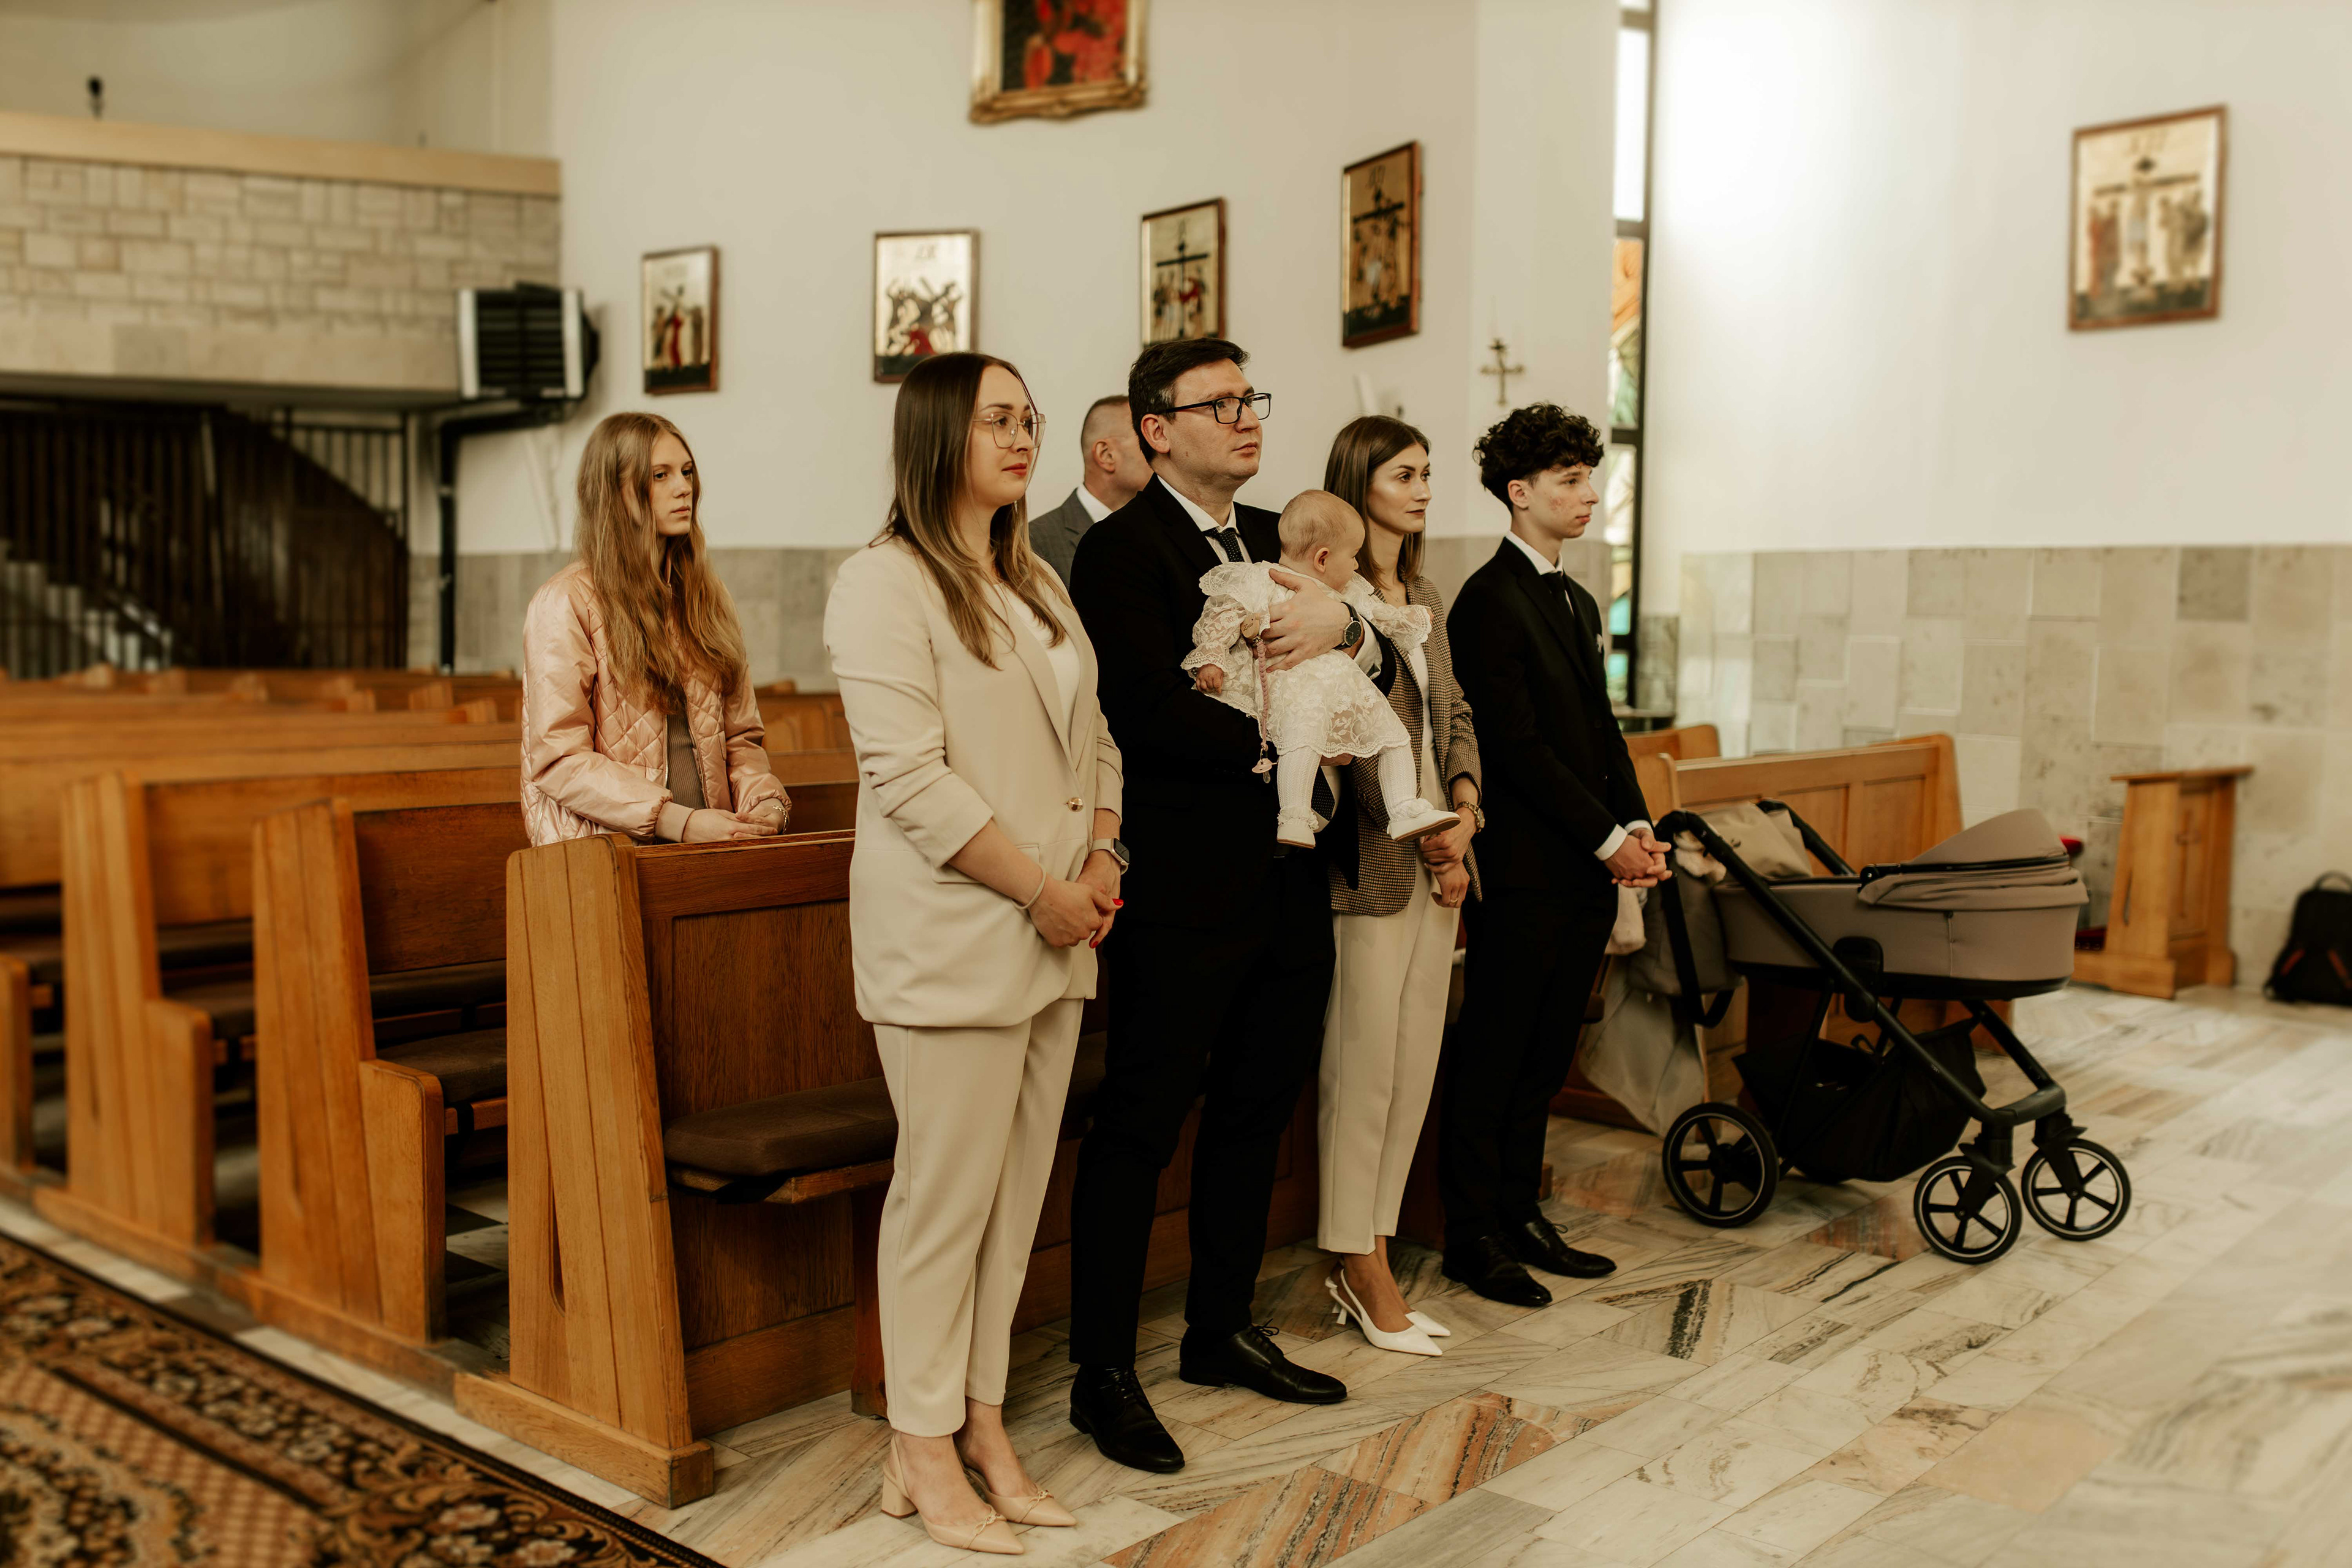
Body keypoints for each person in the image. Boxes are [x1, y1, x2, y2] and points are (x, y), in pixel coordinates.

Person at [1065, 337, 1387, 1474]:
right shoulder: (1118, 552)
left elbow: (1370, 657)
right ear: (1156, 429)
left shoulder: (1275, 539)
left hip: (1292, 880)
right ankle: (1102, 1373)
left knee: (1257, 1111)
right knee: (1140, 1127)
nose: (1248, 418)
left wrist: (1347, 633)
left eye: (1253, 398)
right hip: (1184, 888)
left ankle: (1219, 1329)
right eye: (1220, 403)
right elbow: (1142, 710)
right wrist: (1280, 741)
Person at [824, 352, 1126, 1555]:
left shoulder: (1036, 578)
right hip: (955, 934)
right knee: (943, 1204)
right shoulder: (881, 582)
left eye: (1029, 419)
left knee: (1012, 1205)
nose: (1021, 436)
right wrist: (1043, 890)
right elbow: (908, 778)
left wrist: (1103, 860)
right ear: (940, 434)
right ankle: (921, 1438)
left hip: (1056, 930)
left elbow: (1097, 741)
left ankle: (984, 1422)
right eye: (998, 419)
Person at [1442, 403, 1667, 1308]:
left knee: (1545, 1057)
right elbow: (1516, 747)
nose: (1588, 495)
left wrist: (1637, 823)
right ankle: (1470, 1235)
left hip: (1581, 867)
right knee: (1495, 1052)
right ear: (1519, 491)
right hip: (1526, 870)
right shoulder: (1488, 599)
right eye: (1569, 480)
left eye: (1589, 478)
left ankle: (1520, 1210)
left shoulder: (1576, 599)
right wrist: (1608, 839)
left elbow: (1602, 731)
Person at [1314, 415, 1483, 1357]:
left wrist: (1465, 806)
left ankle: (1377, 1238)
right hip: (1377, 858)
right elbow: (1347, 726)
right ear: (1359, 482)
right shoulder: (1327, 596)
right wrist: (1427, 833)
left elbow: (1452, 710)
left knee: (1416, 1058)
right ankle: (1351, 1251)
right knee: (1364, 1066)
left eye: (1427, 474)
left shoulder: (1424, 593)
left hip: (1441, 848)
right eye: (1404, 474)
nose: (1422, 490)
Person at [521, 412, 788, 847]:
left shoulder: (707, 597)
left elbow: (741, 739)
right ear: (614, 492)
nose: (683, 488)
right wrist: (681, 823)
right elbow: (559, 759)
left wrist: (766, 804)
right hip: (604, 854)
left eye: (687, 472)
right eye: (660, 475)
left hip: (713, 846)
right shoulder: (565, 601)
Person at [1185, 491, 1458, 849]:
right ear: (1323, 558)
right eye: (1354, 556)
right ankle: (1295, 816)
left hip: (1341, 684)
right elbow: (1224, 615)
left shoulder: (1343, 591)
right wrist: (1212, 657)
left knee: (1393, 735)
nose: (1357, 566)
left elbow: (1376, 615)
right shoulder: (1261, 579)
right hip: (1291, 684)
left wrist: (1408, 618)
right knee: (1302, 740)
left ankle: (1404, 806)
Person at [1028, 394, 1152, 587]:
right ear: (1106, 455)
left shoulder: (1160, 530)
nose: (1159, 447)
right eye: (1145, 437)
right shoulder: (1034, 542)